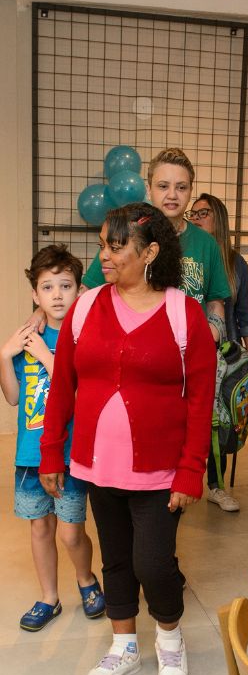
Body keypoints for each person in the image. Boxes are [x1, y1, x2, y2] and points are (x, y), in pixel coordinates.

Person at [39, 203, 216, 675]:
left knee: (154, 563)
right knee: (116, 559)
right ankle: (124, 648)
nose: (105, 256)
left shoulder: (185, 313)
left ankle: (169, 637)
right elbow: (63, 388)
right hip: (98, 467)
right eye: (102, 245)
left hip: (162, 472)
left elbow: (202, 401)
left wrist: (190, 471)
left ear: (150, 252)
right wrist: (52, 451)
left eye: (116, 246)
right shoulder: (86, 306)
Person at [0, 245, 104, 631]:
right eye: (48, 287)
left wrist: (46, 356)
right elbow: (12, 396)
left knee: (70, 530)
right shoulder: (27, 336)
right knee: (39, 527)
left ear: (80, 290)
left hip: (70, 454)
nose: (57, 295)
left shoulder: (84, 337)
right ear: (34, 294)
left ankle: (86, 579)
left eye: (66, 285)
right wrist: (2, 355)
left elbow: (82, 399)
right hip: (30, 454)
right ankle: (49, 597)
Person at [82, 148, 230, 340]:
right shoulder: (125, 235)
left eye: (181, 187)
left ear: (190, 191)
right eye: (163, 186)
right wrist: (46, 313)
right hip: (138, 348)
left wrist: (208, 340)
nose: (172, 195)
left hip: (191, 352)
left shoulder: (206, 243)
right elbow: (86, 292)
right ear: (148, 189)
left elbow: (214, 302)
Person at [188, 193, 248, 512]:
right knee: (185, 419)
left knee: (219, 423)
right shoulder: (184, 256)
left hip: (225, 357)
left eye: (203, 212)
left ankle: (216, 486)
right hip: (185, 354)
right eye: (194, 213)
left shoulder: (235, 263)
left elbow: (247, 318)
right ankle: (181, 483)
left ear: (219, 218)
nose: (196, 218)